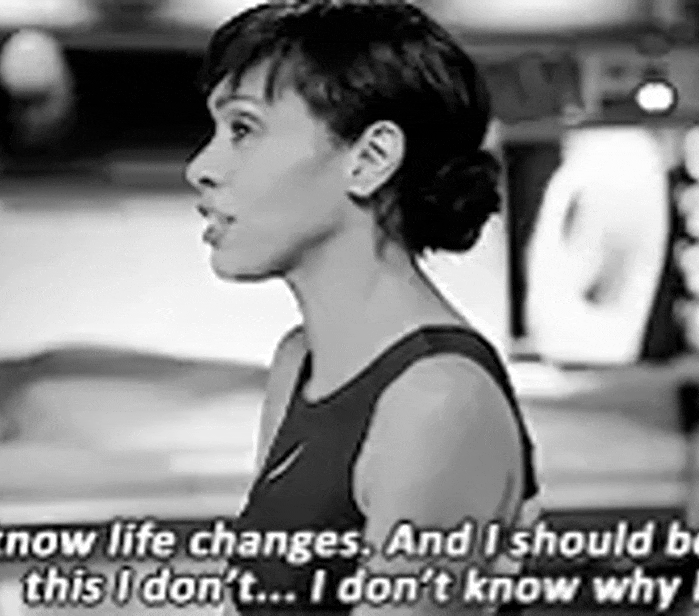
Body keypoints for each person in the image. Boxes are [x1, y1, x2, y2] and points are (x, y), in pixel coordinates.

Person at [183, 1, 540, 614]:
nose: (201, 168)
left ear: (370, 159)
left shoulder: (439, 402)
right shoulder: (298, 361)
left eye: (242, 129)